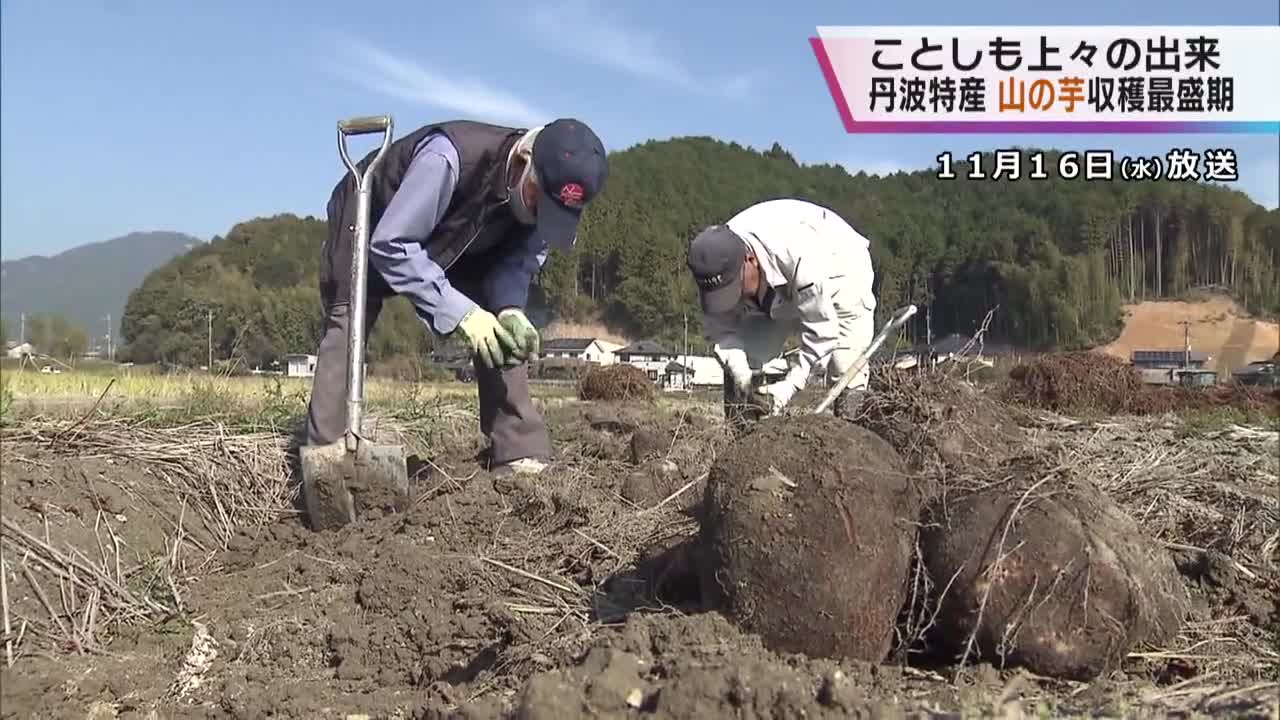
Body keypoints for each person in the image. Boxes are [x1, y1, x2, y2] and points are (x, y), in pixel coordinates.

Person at [305, 118, 608, 476]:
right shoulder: (446, 160)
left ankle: (518, 449)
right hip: (373, 219)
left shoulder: (545, 202)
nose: (541, 216)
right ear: (524, 162)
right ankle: (326, 457)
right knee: (348, 319)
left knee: (501, 330)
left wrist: (509, 308)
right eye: (538, 201)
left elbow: (519, 261)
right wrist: (462, 313)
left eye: (553, 212)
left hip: (463, 239)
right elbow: (392, 244)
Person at [685, 198, 877, 425]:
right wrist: (741, 375)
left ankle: (853, 437)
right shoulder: (715, 260)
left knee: (845, 366)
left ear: (749, 260)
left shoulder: (796, 253)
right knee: (746, 361)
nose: (734, 299)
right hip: (774, 289)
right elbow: (721, 330)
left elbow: (822, 332)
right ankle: (741, 436)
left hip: (841, 267)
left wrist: (790, 386)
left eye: (735, 289)